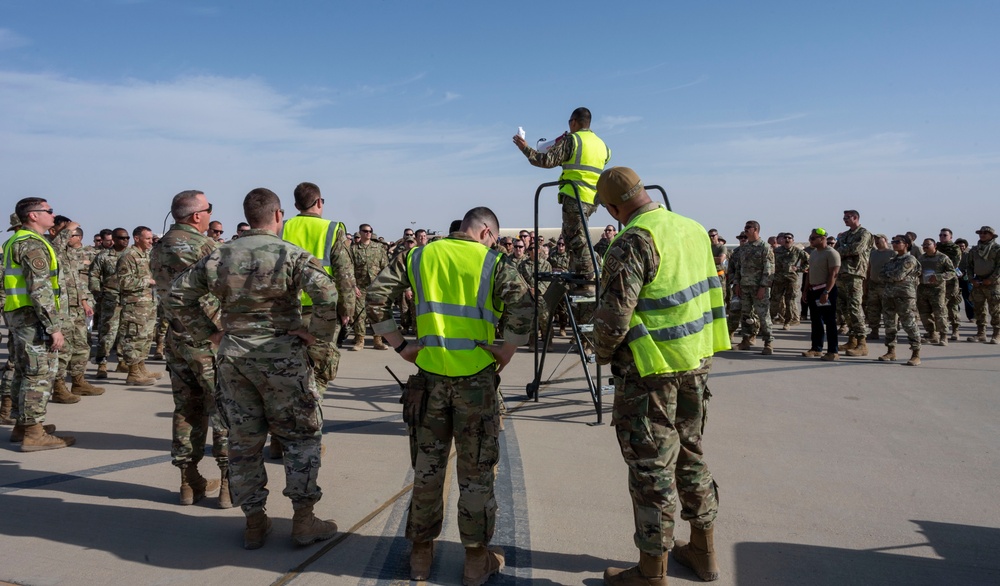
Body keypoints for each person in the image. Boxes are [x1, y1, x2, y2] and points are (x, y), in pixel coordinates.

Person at [166, 187, 340, 550]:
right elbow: (328, 294)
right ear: (278, 215)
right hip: (282, 360)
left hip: (233, 360)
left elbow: (177, 295)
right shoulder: (290, 254)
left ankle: (255, 521)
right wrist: (316, 337)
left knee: (244, 443)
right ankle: (304, 520)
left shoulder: (221, 254)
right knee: (300, 438)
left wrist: (209, 333)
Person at [366, 206, 532, 584]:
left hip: (429, 380)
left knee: (427, 470)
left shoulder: (419, 255)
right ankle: (475, 560)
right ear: (487, 232)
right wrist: (507, 349)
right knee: (475, 473)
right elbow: (525, 305)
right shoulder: (493, 261)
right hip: (476, 382)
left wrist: (400, 345)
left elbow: (375, 295)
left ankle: (421, 556)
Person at [588, 167, 729, 585]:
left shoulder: (631, 241)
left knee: (651, 470)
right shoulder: (692, 228)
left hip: (650, 372)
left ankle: (652, 572)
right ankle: (703, 553)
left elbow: (614, 318)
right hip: (696, 361)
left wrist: (601, 353)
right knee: (691, 455)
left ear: (614, 207)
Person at [150, 190, 231, 507]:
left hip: (177, 339)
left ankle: (188, 480)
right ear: (197, 215)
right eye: (209, 209)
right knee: (223, 409)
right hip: (211, 341)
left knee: (187, 409)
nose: (210, 214)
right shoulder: (204, 246)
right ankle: (228, 483)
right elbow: (227, 290)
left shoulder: (158, 247)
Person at [3, 197, 77, 451]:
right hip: (34, 319)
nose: (53, 215)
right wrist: (53, 327)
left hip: (19, 316)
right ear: (33, 215)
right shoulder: (33, 245)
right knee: (38, 374)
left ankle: (23, 426)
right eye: (49, 211)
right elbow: (40, 290)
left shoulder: (16, 240)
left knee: (24, 372)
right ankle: (34, 434)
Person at [513, 107, 611, 288]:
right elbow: (602, 161)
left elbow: (544, 160)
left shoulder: (572, 140)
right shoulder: (602, 145)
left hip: (575, 195)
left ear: (573, 122)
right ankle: (581, 273)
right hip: (594, 198)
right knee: (571, 235)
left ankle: (589, 276)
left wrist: (525, 148)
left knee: (576, 238)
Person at [280, 182, 356, 387]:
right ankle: (312, 414)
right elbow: (344, 274)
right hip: (322, 311)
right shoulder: (332, 228)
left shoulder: (283, 227)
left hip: (288, 310)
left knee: (287, 371)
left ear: (296, 206)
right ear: (319, 202)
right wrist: (347, 309)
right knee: (320, 371)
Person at [55, 226, 105, 398]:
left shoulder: (69, 254)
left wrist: (84, 301)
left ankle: (78, 381)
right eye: (68, 234)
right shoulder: (54, 251)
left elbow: (76, 281)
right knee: (63, 349)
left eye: (73, 234)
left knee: (82, 346)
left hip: (77, 306)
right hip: (63, 308)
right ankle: (59, 387)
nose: (71, 237)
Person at [116, 225, 160, 385]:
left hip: (148, 303)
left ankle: (141, 367)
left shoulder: (146, 254)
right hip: (135, 305)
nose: (150, 241)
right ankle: (133, 373)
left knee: (146, 337)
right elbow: (123, 281)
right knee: (134, 337)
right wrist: (147, 281)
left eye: (151, 238)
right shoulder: (129, 256)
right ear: (137, 238)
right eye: (147, 238)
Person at [89, 227, 130, 378]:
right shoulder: (104, 256)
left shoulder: (132, 255)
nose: (125, 241)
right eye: (121, 238)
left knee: (125, 332)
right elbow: (93, 275)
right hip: (110, 298)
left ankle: (122, 361)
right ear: (113, 238)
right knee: (108, 332)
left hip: (129, 299)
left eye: (127, 238)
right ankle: (102, 363)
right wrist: (98, 294)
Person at [878, 235, 923, 365]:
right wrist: (891, 276)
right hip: (889, 295)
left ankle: (916, 353)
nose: (895, 244)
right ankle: (891, 351)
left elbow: (899, 275)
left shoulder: (910, 259)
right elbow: (881, 275)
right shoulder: (892, 260)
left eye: (898, 242)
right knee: (889, 324)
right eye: (893, 242)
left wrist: (890, 276)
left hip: (904, 296)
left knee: (909, 324)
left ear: (906, 244)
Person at [834, 210, 873, 355]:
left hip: (855, 274)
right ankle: (852, 339)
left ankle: (862, 343)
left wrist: (842, 249)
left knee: (855, 308)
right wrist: (842, 249)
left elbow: (856, 249)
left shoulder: (864, 233)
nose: (844, 220)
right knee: (844, 308)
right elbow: (835, 250)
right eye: (843, 218)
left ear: (855, 218)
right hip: (842, 274)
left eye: (847, 217)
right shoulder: (845, 235)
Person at [733, 220, 775, 355]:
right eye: (745, 227)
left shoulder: (764, 247)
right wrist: (737, 284)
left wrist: (763, 286)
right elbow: (739, 268)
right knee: (746, 314)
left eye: (748, 228)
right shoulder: (744, 248)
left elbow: (768, 270)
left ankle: (768, 342)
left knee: (763, 315)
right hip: (744, 286)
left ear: (756, 229)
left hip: (759, 287)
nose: (745, 230)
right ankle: (746, 339)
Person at [801, 228, 841, 361]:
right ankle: (816, 348)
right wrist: (805, 290)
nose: (810, 240)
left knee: (830, 322)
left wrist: (826, 292)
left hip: (825, 290)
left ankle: (832, 351)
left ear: (822, 238)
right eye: (810, 238)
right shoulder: (813, 253)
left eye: (813, 238)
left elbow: (833, 274)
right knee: (816, 321)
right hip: (814, 290)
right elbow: (809, 273)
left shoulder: (832, 253)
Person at [348, 223, 389, 351]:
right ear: (360, 232)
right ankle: (360, 340)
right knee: (359, 315)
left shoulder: (379, 248)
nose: (368, 233)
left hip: (376, 286)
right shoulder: (353, 249)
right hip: (360, 287)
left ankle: (378, 340)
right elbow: (349, 269)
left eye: (370, 231)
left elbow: (385, 267)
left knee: (377, 314)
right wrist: (354, 286)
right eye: (365, 231)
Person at [962, 226, 1000, 343]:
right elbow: (969, 266)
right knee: (979, 309)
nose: (982, 235)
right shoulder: (974, 250)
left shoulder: (997, 249)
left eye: (985, 233)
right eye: (981, 233)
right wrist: (971, 279)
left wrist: (991, 279)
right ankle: (981, 333)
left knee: (995, 309)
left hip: (992, 284)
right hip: (978, 283)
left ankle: (996, 334)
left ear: (992, 235)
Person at [916, 239, 955, 345]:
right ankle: (932, 334)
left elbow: (952, 272)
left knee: (940, 313)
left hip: (937, 290)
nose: (925, 246)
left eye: (928, 244)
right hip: (923, 288)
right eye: (923, 245)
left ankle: (943, 336)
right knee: (924, 313)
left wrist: (939, 277)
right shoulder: (921, 258)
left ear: (935, 245)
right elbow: (916, 271)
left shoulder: (942, 258)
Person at [770, 233, 808, 329]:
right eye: (785, 238)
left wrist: (799, 268)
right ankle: (770, 319)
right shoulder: (777, 251)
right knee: (775, 300)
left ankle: (787, 322)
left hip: (791, 279)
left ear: (792, 240)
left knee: (789, 301)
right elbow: (770, 261)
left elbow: (809, 261)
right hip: (778, 279)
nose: (787, 239)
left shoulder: (798, 251)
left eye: (789, 238)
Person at [865, 235, 894, 341]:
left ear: (885, 240)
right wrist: (866, 284)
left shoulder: (892, 253)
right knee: (873, 310)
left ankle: (890, 333)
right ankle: (874, 331)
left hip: (886, 285)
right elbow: (869, 269)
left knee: (888, 311)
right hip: (873, 284)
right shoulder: (873, 253)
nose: (876, 241)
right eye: (875, 240)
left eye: (878, 239)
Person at [936, 228, 963, 340]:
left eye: (945, 235)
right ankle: (939, 331)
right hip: (937, 280)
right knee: (938, 306)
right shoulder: (936, 247)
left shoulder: (955, 249)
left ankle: (955, 330)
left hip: (950, 280)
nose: (942, 237)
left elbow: (953, 265)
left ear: (950, 237)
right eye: (940, 235)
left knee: (951, 305)